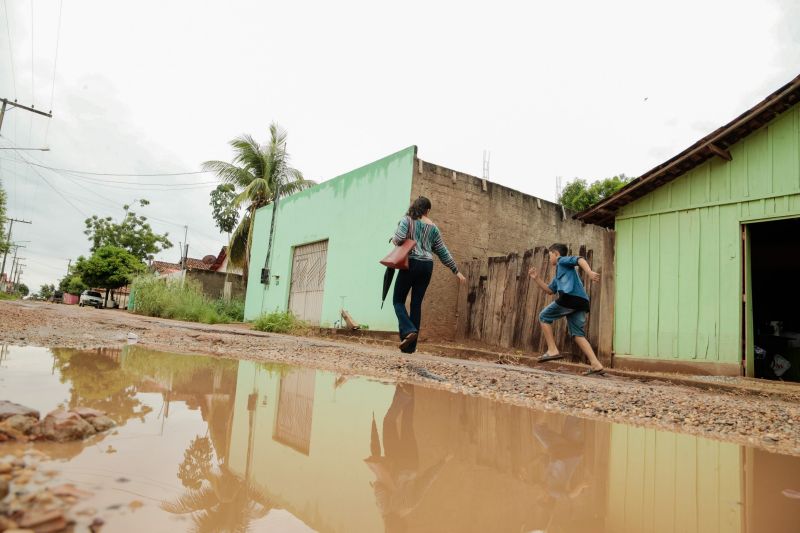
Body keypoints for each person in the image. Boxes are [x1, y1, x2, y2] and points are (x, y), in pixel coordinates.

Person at [391, 196, 465, 353]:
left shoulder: (407, 220)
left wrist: (393, 239)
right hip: (427, 266)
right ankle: (410, 347)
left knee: (398, 300)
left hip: (410, 263)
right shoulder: (434, 228)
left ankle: (408, 330)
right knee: (416, 304)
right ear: (428, 210)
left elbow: (398, 239)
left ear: (415, 207)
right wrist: (455, 270)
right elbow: (442, 251)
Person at [528, 243, 604, 375]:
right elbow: (550, 290)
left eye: (550, 255)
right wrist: (537, 279)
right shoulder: (559, 274)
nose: (549, 259)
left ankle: (552, 350)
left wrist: (589, 272)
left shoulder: (561, 261)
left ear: (556, 254)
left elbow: (579, 259)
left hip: (570, 298)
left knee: (543, 316)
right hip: (581, 302)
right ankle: (596, 364)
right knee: (578, 334)